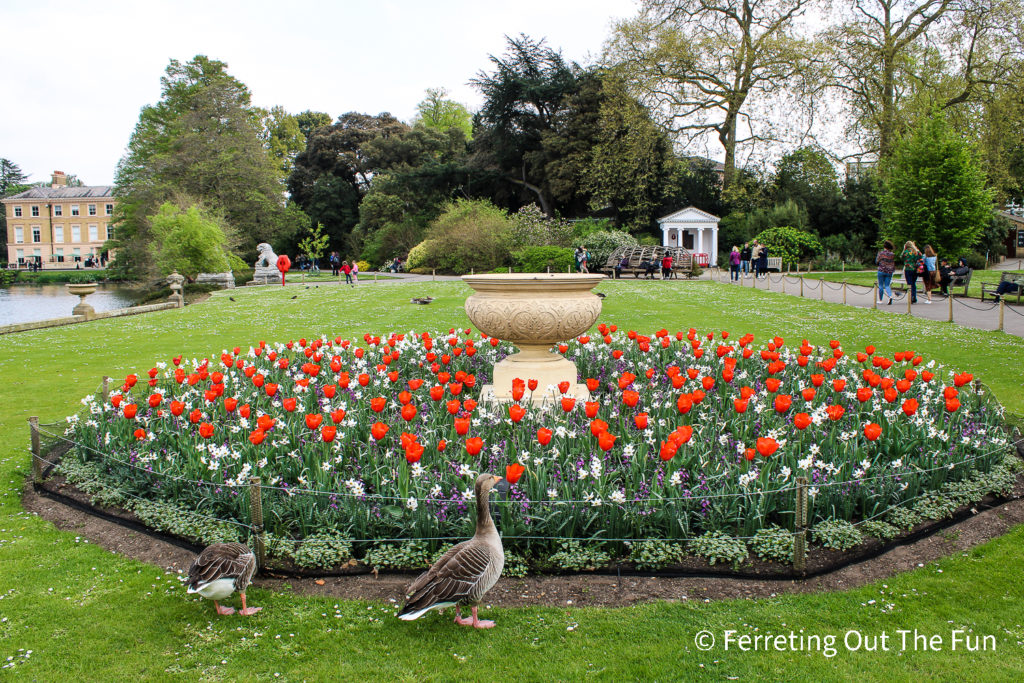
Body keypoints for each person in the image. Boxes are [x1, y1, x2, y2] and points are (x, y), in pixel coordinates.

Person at [875, 240, 896, 305]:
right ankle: (890, 296)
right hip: (889, 271)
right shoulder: (892, 254)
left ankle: (880, 300)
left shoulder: (881, 253)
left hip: (881, 270)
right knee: (887, 285)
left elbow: (877, 261)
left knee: (881, 285)